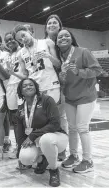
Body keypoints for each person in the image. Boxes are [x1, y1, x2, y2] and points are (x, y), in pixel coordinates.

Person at [56, 29, 103, 173]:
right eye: (60, 36)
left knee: (82, 128)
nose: (63, 38)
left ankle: (88, 160)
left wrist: (79, 72)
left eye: (66, 35)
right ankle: (74, 155)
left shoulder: (83, 52)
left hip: (85, 96)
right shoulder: (59, 57)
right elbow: (63, 80)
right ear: (56, 42)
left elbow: (98, 70)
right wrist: (62, 77)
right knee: (72, 129)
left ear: (72, 38)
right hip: (70, 97)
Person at [14, 78, 68, 187]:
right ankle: (43, 159)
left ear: (36, 87)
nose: (28, 87)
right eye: (24, 86)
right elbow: (19, 134)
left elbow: (55, 124)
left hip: (56, 137)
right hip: (37, 141)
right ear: (21, 91)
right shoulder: (20, 109)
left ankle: (54, 170)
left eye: (31, 85)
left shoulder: (47, 100)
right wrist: (20, 151)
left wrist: (33, 135)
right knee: (25, 158)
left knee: (46, 139)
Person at [14, 24, 61, 103]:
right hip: (35, 88)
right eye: (20, 40)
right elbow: (25, 75)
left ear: (29, 31)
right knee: (38, 115)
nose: (23, 40)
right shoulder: (20, 54)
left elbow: (58, 64)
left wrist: (49, 56)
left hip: (51, 84)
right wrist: (12, 72)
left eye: (24, 35)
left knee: (52, 113)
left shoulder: (47, 42)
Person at [44, 15, 68, 161]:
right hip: (46, 84)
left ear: (60, 26)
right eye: (49, 23)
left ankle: (62, 149)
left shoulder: (64, 42)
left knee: (61, 117)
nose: (52, 24)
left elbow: (61, 65)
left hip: (62, 85)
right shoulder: (42, 44)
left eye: (55, 22)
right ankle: (48, 146)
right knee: (47, 117)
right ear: (46, 27)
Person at [3, 31, 27, 158]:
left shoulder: (23, 51)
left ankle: (24, 146)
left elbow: (25, 74)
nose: (9, 41)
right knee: (14, 119)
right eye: (6, 40)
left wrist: (13, 73)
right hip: (10, 88)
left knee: (23, 118)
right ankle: (18, 145)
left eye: (11, 39)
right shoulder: (8, 55)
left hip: (20, 85)